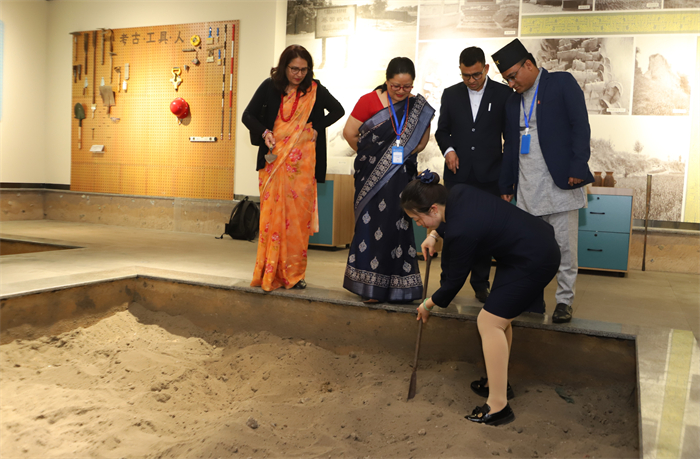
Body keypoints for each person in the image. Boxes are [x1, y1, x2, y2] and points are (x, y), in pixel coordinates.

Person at [401, 170, 560, 426]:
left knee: (489, 322)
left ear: (433, 208)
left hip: (535, 258)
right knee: (499, 317)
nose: (419, 225)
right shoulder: (457, 193)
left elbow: (454, 282)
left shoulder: (461, 231)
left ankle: (498, 407)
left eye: (418, 220)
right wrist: (433, 234)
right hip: (522, 249)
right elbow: (453, 219)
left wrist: (427, 305)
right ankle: (498, 384)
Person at [492, 39, 594, 323]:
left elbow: (580, 125)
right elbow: (510, 145)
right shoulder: (512, 102)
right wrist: (506, 185)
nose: (511, 83)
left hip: (561, 184)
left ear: (528, 64)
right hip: (528, 189)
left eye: (513, 76)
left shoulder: (561, 83)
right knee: (529, 250)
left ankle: (564, 301)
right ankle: (532, 299)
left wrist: (578, 165)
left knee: (565, 249)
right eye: (506, 79)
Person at [242, 44, 344, 292]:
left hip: (302, 166)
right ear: (284, 67)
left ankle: (294, 274)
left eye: (304, 69)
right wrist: (265, 132)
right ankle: (269, 272)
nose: (299, 74)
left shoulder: (314, 89)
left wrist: (316, 127)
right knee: (272, 219)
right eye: (294, 69)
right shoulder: (270, 87)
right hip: (274, 163)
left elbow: (338, 110)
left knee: (297, 221)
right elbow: (248, 116)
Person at [341, 57, 435, 303]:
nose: (401, 91)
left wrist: (400, 158)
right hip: (370, 179)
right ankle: (370, 288)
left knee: (398, 228)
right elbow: (349, 133)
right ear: (387, 81)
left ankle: (398, 288)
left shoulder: (417, 107)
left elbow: (421, 142)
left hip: (401, 180)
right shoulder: (368, 101)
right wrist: (373, 158)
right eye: (396, 86)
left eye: (407, 86)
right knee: (370, 227)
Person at [434, 46, 513, 304]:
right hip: (457, 175)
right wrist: (449, 150)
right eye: (466, 75)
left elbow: (509, 138)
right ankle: (447, 283)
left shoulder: (503, 94)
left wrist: (507, 182)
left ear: (486, 69)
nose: (471, 80)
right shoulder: (451, 94)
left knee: (484, 232)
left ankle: (481, 284)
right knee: (452, 230)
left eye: (476, 74)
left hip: (489, 176)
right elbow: (442, 131)